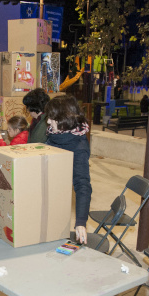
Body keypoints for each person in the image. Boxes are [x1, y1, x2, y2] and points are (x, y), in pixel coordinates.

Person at [44, 95, 92, 244]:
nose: (48, 121)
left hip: (59, 205)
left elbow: (82, 185)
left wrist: (80, 222)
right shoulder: (54, 135)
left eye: (52, 118)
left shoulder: (78, 147)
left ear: (63, 119)